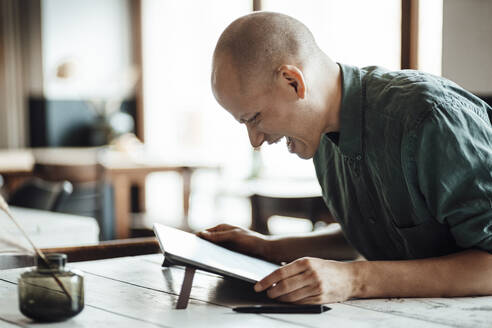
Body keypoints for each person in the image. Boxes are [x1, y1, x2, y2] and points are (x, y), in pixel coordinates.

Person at [198, 11, 492, 304]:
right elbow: (385, 234)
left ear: (293, 82)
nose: (255, 140)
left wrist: (354, 279)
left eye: (254, 118)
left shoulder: (430, 118)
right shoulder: (321, 137)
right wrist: (268, 248)